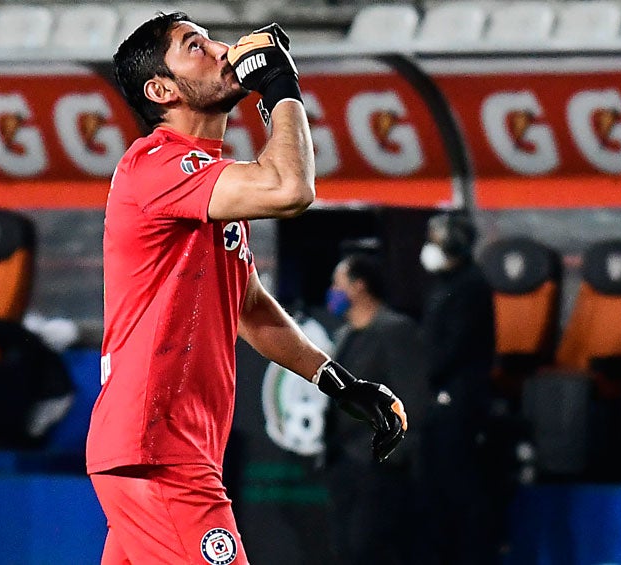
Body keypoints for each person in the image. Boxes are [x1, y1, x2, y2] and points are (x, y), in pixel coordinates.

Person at [86, 12, 407, 565]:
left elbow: (250, 306)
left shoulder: (207, 181)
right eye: (194, 46)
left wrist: (336, 381)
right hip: (158, 449)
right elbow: (289, 188)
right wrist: (279, 86)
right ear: (161, 90)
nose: (220, 49)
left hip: (160, 449)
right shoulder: (157, 165)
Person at [322, 253, 430, 565]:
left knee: (369, 550)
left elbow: (413, 398)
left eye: (338, 284)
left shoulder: (395, 330)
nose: (332, 291)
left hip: (378, 467)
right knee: (344, 549)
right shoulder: (344, 336)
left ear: (359, 286)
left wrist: (393, 455)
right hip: (344, 462)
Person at [418, 212, 498, 565]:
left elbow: (455, 347)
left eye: (435, 240)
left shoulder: (471, 286)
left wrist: (423, 375)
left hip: (461, 401)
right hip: (439, 400)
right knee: (436, 488)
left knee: (459, 486)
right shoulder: (442, 285)